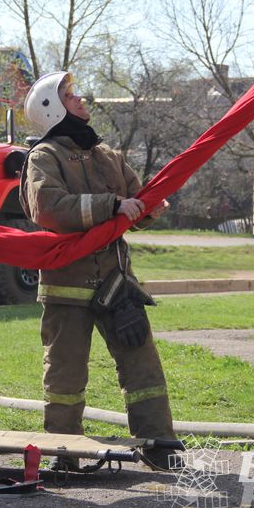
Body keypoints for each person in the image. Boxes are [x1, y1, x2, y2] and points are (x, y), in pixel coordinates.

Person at [20, 71, 179, 472]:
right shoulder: (44, 158)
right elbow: (49, 208)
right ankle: (63, 450)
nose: (81, 100)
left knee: (143, 365)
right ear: (52, 110)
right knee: (65, 374)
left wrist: (149, 209)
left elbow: (133, 202)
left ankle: (158, 444)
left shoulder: (107, 155)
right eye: (70, 96)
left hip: (116, 284)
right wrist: (111, 206)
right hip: (67, 287)